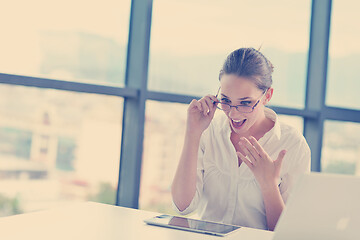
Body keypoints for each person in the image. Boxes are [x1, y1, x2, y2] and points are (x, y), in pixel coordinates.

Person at [171, 47, 311, 231]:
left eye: (245, 103)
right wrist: (193, 133)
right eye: (226, 101)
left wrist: (269, 184)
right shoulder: (209, 131)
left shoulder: (292, 145)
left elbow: (288, 233)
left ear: (267, 96)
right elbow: (183, 206)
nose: (233, 113)